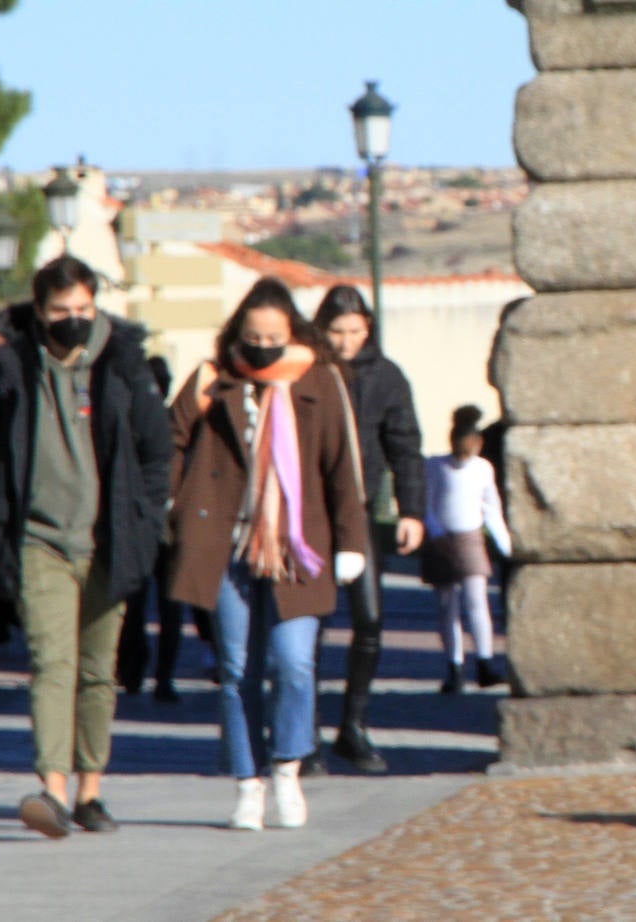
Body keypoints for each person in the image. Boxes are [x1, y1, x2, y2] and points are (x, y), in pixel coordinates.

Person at [0, 255, 172, 838]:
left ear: (95, 307)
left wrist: (145, 522)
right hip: (38, 539)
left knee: (99, 670)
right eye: (60, 311)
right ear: (39, 309)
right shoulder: (7, 370)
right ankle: (51, 788)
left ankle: (90, 790)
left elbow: (157, 451)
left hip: (109, 538)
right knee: (53, 662)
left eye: (83, 310)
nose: (72, 320)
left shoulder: (123, 367)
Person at [166, 276, 367, 830]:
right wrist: (175, 507)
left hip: (297, 548)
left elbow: (343, 470)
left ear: (293, 333)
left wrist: (353, 542)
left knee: (296, 663)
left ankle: (287, 769)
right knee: (236, 669)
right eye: (252, 337)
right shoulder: (213, 379)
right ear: (237, 334)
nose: (262, 346)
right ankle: (247, 783)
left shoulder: (321, 381)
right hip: (225, 544)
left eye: (273, 336)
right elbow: (171, 441)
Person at [310, 284, 425, 773]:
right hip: (311, 515)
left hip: (360, 512)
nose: (346, 341)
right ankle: (304, 732)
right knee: (307, 627)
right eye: (336, 331)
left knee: (370, 622)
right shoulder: (307, 372)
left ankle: (352, 726)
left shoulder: (387, 376)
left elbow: (406, 447)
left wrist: (412, 510)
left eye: (355, 331)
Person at [422, 405, 511, 695]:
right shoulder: (435, 466)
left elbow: (491, 508)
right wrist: (435, 533)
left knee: (477, 604)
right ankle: (455, 668)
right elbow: (427, 503)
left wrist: (503, 542)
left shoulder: (483, 469)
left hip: (470, 539)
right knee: (447, 609)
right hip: (442, 541)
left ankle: (485, 663)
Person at [116, 356, 187, 702]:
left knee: (137, 603)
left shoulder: (132, 420)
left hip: (145, 522)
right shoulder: (175, 421)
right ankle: (160, 677)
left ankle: (136, 672)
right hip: (161, 523)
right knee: (166, 607)